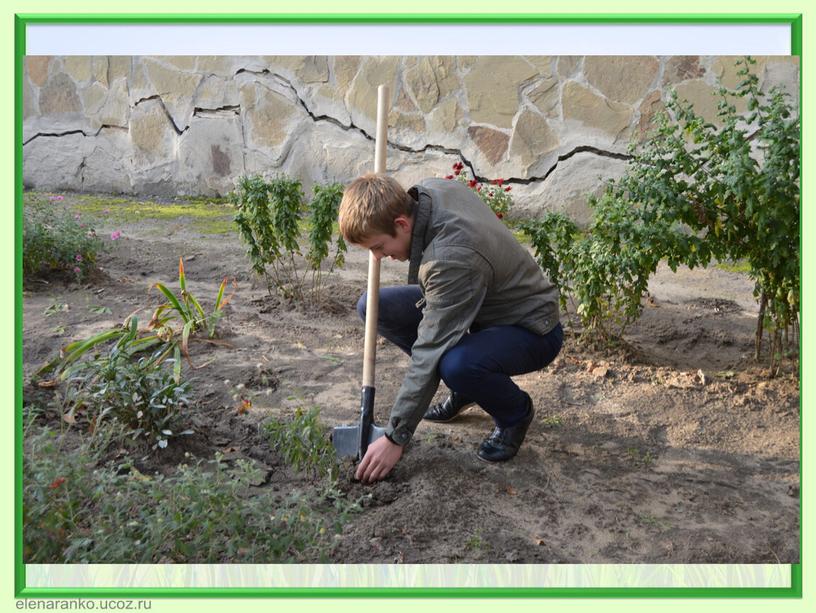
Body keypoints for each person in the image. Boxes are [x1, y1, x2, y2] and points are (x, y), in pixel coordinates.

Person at [338, 173, 563, 484]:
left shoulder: (450, 259)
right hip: (475, 306)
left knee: (454, 364)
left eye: (378, 246)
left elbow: (429, 350)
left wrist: (395, 437)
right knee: (374, 306)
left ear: (402, 224)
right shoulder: (428, 193)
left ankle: (515, 414)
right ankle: (466, 389)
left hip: (531, 327)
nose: (377, 257)